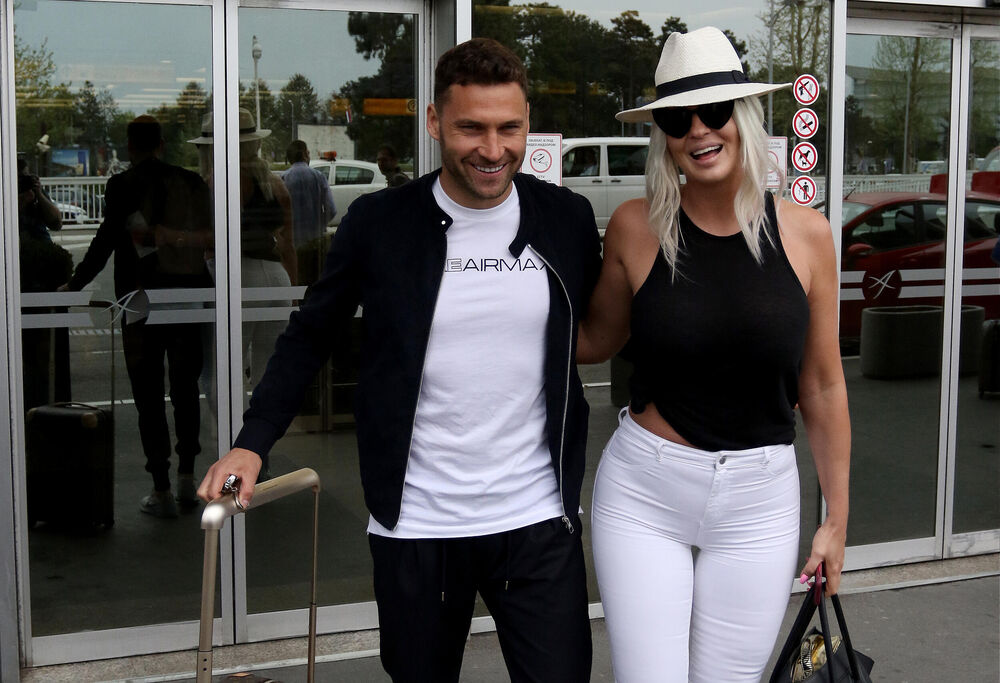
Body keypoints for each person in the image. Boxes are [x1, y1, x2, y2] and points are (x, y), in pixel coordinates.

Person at [198, 38, 602, 683]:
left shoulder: (565, 218)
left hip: (536, 518)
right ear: (435, 121)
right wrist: (253, 441)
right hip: (418, 522)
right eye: (471, 128)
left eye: (509, 128)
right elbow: (310, 334)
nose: (492, 149)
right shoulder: (380, 222)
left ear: (528, 122)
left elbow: (608, 323)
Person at [577, 27, 851, 682]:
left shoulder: (808, 235)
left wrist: (837, 519)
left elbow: (822, 385)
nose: (699, 130)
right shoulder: (636, 227)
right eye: (678, 119)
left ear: (744, 116)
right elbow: (591, 341)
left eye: (715, 110)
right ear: (664, 136)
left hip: (760, 501)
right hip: (646, 493)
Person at [61, 115, 214, 518]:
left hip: (139, 298)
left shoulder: (122, 185)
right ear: (162, 144)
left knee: (147, 393)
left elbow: (106, 240)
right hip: (187, 293)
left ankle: (161, 487)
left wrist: (75, 284)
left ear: (130, 147)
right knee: (185, 388)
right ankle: (187, 475)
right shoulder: (190, 181)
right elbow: (211, 233)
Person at [189, 109, 298, 391]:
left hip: (237, 274)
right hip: (277, 277)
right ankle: (264, 420)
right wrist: (293, 291)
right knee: (269, 368)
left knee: (222, 370)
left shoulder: (220, 180)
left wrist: (176, 238)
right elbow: (288, 245)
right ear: (255, 144)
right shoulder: (276, 183)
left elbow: (217, 236)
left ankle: (234, 422)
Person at [282, 139, 336, 286]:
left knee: (296, 285)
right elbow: (331, 210)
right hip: (315, 245)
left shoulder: (283, 179)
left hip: (293, 247)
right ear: (305, 154)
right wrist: (319, 224)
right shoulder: (319, 177)